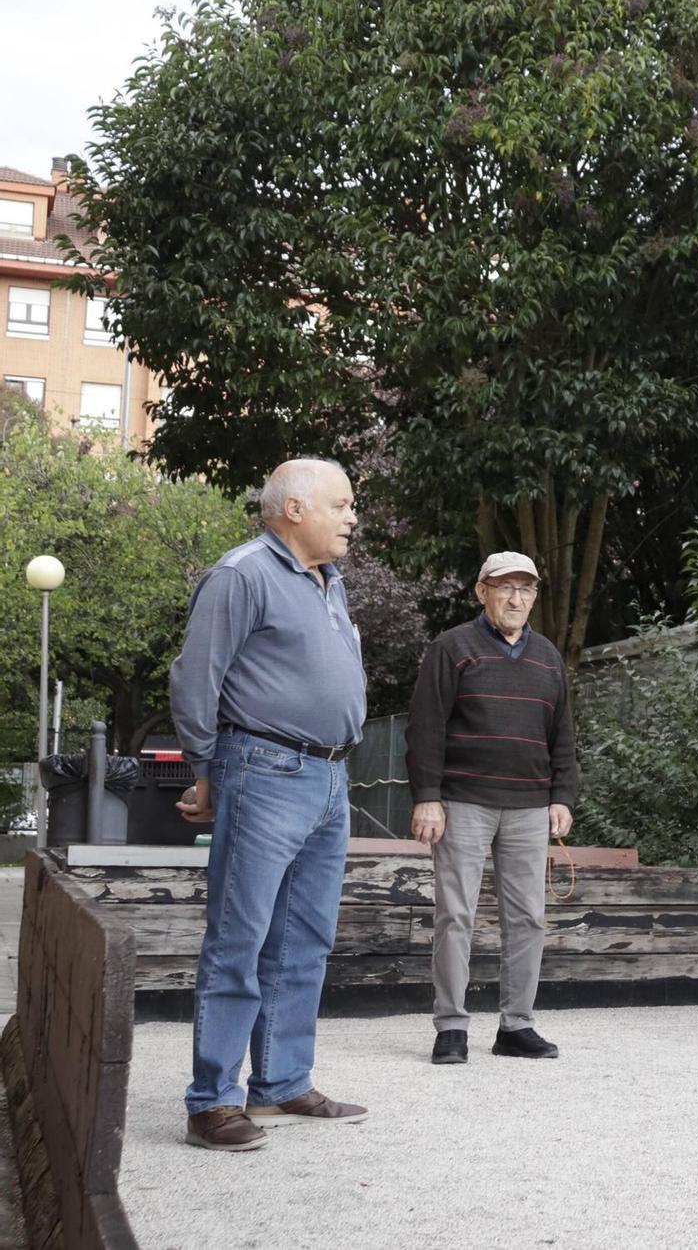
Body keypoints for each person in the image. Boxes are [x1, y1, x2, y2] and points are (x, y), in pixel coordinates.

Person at [169, 458, 371, 1151]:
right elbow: (195, 678)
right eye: (341, 504)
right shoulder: (243, 573)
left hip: (330, 777)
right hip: (264, 769)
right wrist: (206, 771)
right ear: (294, 508)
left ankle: (282, 1082)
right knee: (240, 937)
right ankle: (212, 1101)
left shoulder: (329, 581)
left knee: (304, 939)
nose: (352, 517)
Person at [407, 552, 577, 1066]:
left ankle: (516, 1025)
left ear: (534, 597)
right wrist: (427, 797)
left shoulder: (548, 657)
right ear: (482, 592)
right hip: (462, 802)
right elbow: (426, 726)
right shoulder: (452, 647)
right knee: (455, 916)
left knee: (528, 919)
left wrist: (562, 796)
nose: (516, 598)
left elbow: (562, 734)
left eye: (526, 589)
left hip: (529, 806)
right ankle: (451, 1026)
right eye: (505, 587)